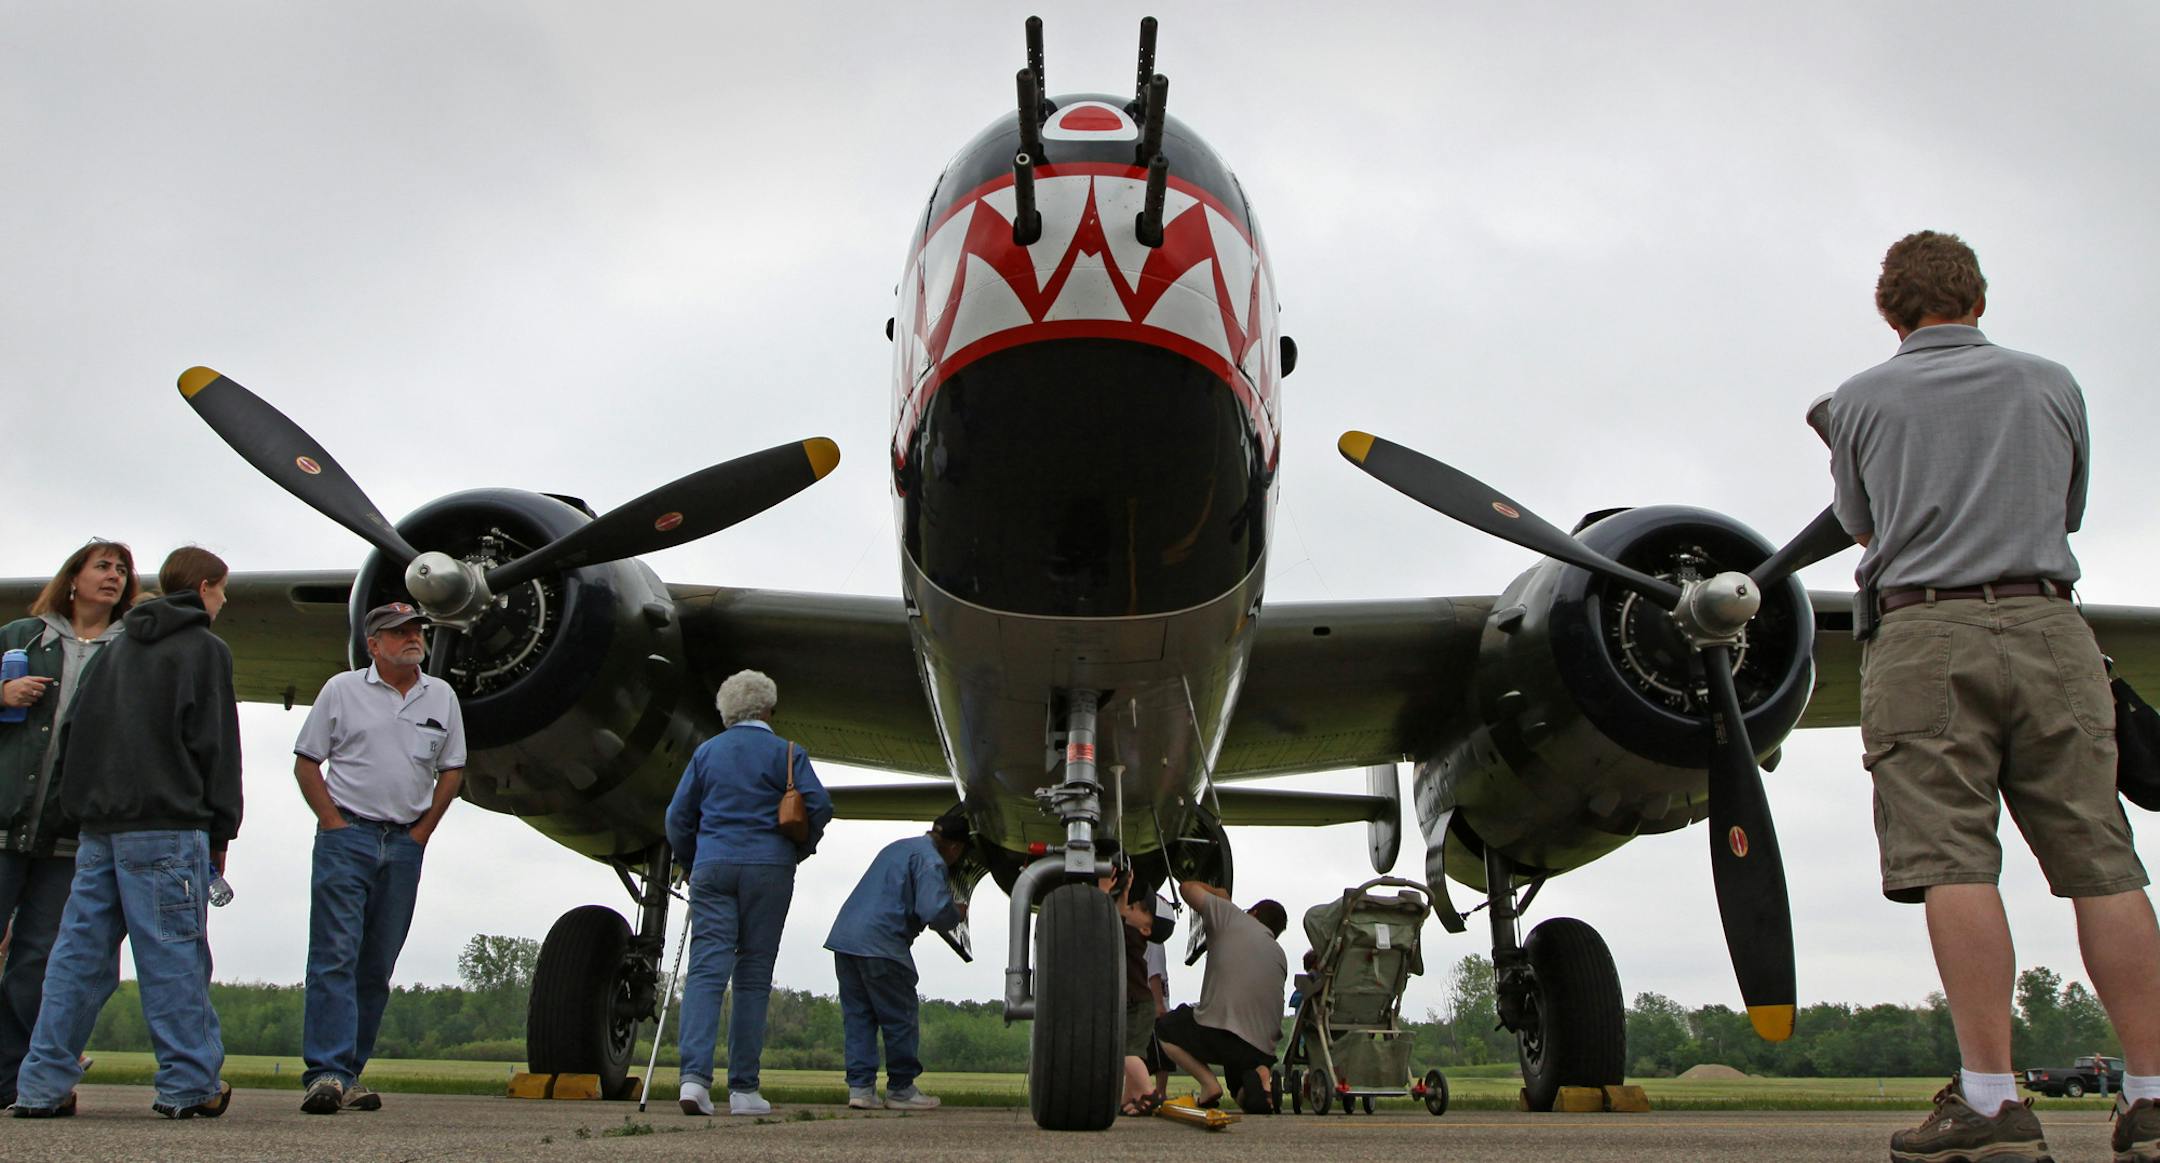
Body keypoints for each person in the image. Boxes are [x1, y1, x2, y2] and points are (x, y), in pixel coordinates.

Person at [1828, 230, 2160, 1163]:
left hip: (1925, 632)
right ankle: (2152, 1096)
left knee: (1953, 859)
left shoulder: (1857, 400)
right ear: (1977, 300)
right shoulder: (2053, 383)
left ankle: (1991, 1100)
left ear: (1892, 313)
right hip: (2054, 625)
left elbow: (1859, 522)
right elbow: (2068, 506)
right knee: (2105, 859)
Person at [10, 547, 241, 1119]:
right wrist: (222, 828)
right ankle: (189, 1083)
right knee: (173, 957)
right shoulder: (205, 649)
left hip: (97, 829)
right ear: (207, 588)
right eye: (223, 592)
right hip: (167, 826)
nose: (224, 602)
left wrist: (76, 808)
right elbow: (216, 743)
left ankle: (40, 1086)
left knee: (75, 961)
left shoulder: (115, 650)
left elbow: (72, 732)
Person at [292, 601, 468, 1115]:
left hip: (404, 844)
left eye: (415, 629)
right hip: (348, 836)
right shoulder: (341, 690)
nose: (412, 637)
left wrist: (421, 833)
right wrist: (332, 822)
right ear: (374, 645)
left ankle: (348, 1073)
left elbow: (452, 770)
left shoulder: (442, 695)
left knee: (376, 963)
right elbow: (306, 762)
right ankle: (325, 1071)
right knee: (335, 954)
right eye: (398, 632)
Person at [0, 540, 137, 1108]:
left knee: (38, 962)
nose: (114, 576)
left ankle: (13, 1080)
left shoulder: (129, 650)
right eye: (102, 566)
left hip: (70, 833)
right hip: (3, 821)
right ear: (73, 578)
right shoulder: (18, 638)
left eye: (122, 570)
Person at [665, 669, 831, 1118]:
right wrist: (799, 849)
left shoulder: (706, 753)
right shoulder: (789, 753)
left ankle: (694, 1081)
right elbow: (820, 806)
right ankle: (743, 1090)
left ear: (726, 712)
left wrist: (692, 857)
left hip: (713, 865)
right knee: (753, 975)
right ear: (769, 709)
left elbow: (677, 817)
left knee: (705, 972)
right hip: (769, 868)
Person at [823, 817, 968, 1112]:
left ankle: (861, 1089)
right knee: (899, 1017)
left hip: (846, 939)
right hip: (882, 943)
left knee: (859, 1016)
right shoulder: (931, 861)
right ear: (954, 847)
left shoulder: (900, 847)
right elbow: (934, 910)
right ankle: (901, 1089)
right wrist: (957, 912)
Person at [1153, 879, 1287, 1114]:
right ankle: (1260, 1079)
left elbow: (1186, 888)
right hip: (1261, 1049)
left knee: (1165, 1028)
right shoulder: (1279, 954)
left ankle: (1209, 1085)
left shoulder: (1232, 916)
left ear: (1253, 913)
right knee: (1241, 1091)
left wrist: (1219, 894)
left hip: (1220, 1033)